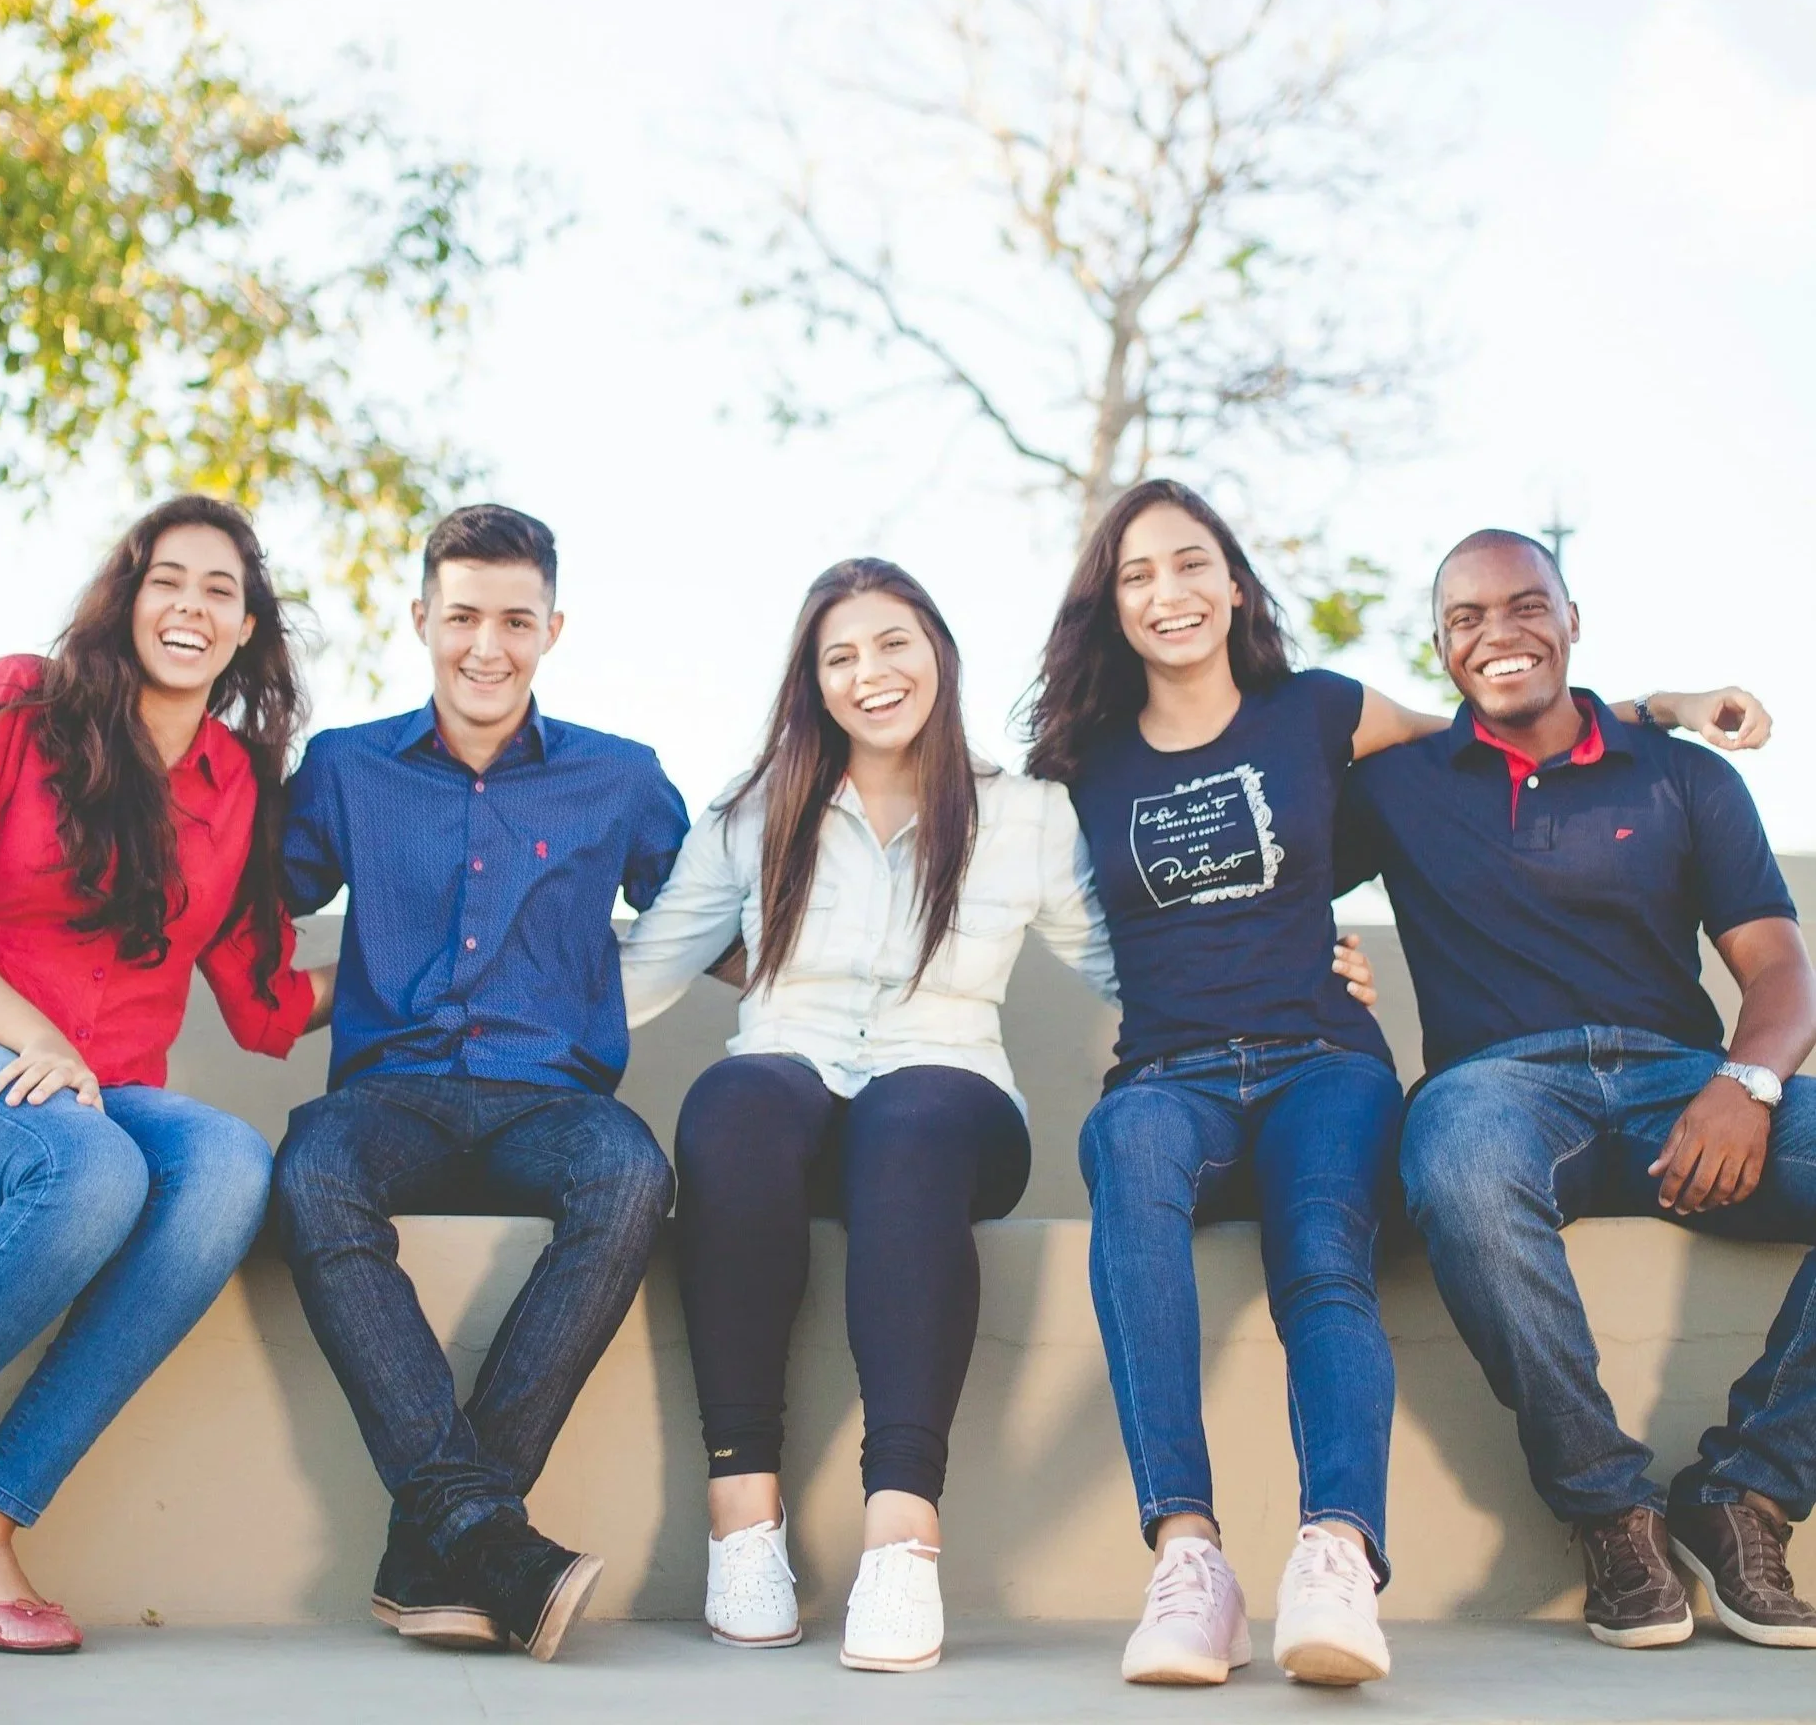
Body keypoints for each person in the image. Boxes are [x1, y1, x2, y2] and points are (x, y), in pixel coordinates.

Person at [1022, 478, 1761, 1688]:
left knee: (1322, 1254)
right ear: (1107, 604)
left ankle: (1335, 1555)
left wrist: (1663, 706)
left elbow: (1500, 728)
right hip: (1167, 1073)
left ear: (1234, 583)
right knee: (1129, 1163)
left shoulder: (1318, 712)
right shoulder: (1076, 764)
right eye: (1139, 573)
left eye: (1192, 563)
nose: (1171, 592)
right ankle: (1188, 1558)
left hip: (1324, 1060)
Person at [617, 556, 1377, 1675]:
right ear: (811, 681)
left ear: (938, 655)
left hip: (950, 1100)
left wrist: (1289, 969)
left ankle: (901, 1537)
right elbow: (642, 971)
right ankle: (744, 1523)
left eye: (892, 645)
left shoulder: (1023, 814)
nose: (869, 673)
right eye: (839, 656)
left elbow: (1138, 963)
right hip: (787, 1089)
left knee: (911, 1121)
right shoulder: (756, 808)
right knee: (732, 1100)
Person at [1337, 528, 1815, 1653]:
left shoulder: (1682, 774)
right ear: (1441, 648)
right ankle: (1610, 1512)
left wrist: (1746, 1084)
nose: (1497, 635)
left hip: (1683, 1087)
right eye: (1465, 619)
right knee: (1452, 1162)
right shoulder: (1397, 786)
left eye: (1524, 607)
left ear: (1571, 619)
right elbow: (1264, 812)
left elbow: (1779, 968)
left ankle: (1745, 1494)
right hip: (1496, 1091)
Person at [0, 497, 329, 1660]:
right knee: (88, 1173)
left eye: (219, 590)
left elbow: (263, 999)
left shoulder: (238, 783)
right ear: (128, 598)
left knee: (228, 1165)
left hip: (103, 1089)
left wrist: (442, 967)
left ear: (245, 629)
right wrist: (33, 1036)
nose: (189, 605)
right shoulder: (18, 699)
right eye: (166, 579)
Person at [271, 503, 688, 1662]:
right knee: (309, 1171)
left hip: (551, 1102)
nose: (486, 647)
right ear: (421, 620)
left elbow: (722, 910)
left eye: (515, 619)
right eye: (462, 617)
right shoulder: (347, 767)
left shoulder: (621, 778)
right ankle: (488, 1537)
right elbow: (244, 900)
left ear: (554, 628)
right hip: (387, 1096)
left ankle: (446, 1538)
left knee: (630, 1176)